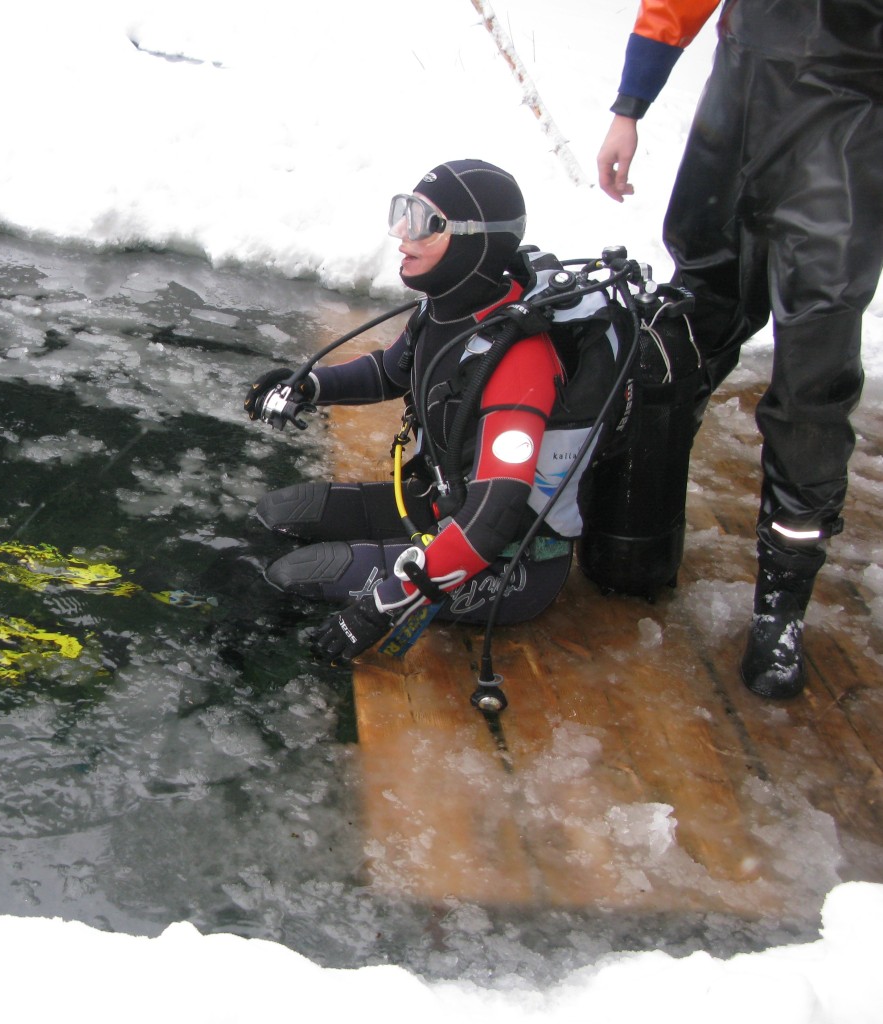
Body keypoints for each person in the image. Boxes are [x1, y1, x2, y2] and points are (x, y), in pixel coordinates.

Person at [595, 0, 883, 698]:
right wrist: (630, 104)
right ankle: (631, 530)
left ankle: (781, 607)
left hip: (846, 128)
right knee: (680, 333)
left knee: (813, 375)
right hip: (736, 113)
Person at [245, 159, 606, 665]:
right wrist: (307, 385)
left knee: (296, 575)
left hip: (508, 564)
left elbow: (493, 518)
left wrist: (380, 606)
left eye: (424, 223)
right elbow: (390, 372)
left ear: (474, 242)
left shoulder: (518, 360)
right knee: (279, 514)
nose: (402, 236)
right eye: (403, 213)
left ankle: (257, 664)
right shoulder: (444, 310)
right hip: (443, 506)